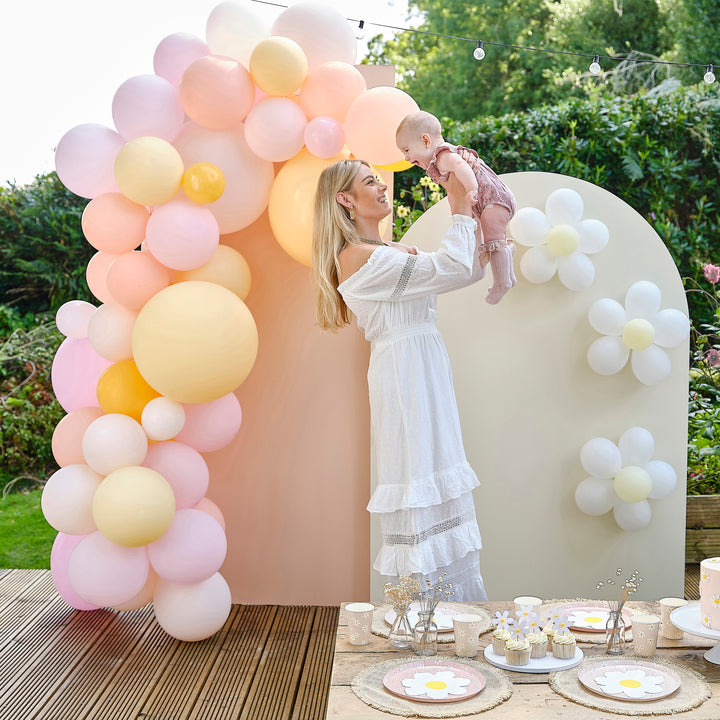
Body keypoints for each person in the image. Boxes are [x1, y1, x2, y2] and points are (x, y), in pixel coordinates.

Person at [312, 158, 488, 601]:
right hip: (404, 374)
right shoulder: (358, 258)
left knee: (435, 466)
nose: (383, 187)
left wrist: (490, 230)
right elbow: (449, 267)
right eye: (370, 182)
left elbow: (465, 270)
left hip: (424, 366)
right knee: (416, 469)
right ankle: (423, 615)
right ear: (345, 199)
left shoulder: (386, 253)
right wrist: (459, 203)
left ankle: (452, 615)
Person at [396, 110, 517, 305]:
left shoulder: (443, 156)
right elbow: (453, 195)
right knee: (492, 239)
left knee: (493, 237)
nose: (406, 158)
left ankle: (501, 283)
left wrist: (471, 189)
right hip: (488, 202)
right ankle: (506, 267)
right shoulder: (439, 162)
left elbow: (462, 167)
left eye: (407, 150)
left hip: (493, 199)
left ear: (426, 140)